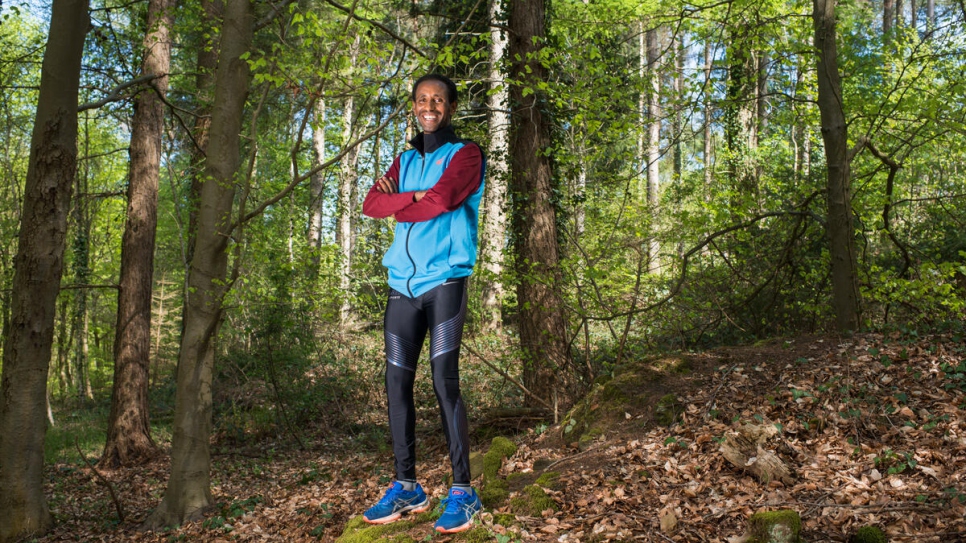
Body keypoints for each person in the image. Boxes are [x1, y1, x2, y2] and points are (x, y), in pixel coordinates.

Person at [360, 73, 486, 534]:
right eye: (421, 99)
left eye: (437, 99)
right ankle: (407, 486)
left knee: (443, 380)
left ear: (450, 106)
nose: (428, 105)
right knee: (396, 384)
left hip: (445, 282)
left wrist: (401, 201)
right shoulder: (404, 159)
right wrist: (409, 197)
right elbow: (371, 204)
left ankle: (463, 491)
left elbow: (444, 200)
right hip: (402, 286)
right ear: (414, 106)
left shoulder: (466, 154)